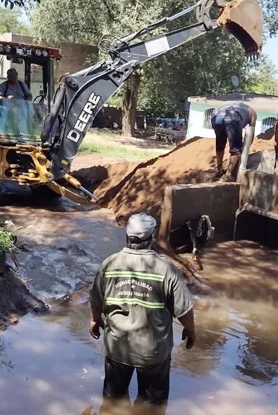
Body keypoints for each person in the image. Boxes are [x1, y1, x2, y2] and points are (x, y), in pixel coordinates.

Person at [89, 213, 196, 413]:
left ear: (126, 237)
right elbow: (184, 309)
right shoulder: (166, 269)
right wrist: (190, 330)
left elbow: (96, 299)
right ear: (151, 238)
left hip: (117, 347)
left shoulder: (109, 264)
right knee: (151, 406)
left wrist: (95, 320)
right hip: (153, 352)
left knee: (114, 401)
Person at [208, 102, 257, 182]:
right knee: (236, 149)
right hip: (232, 117)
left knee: (220, 145)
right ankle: (228, 174)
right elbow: (251, 132)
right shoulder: (253, 114)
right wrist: (244, 149)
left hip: (216, 117)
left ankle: (219, 170)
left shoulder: (237, 107)